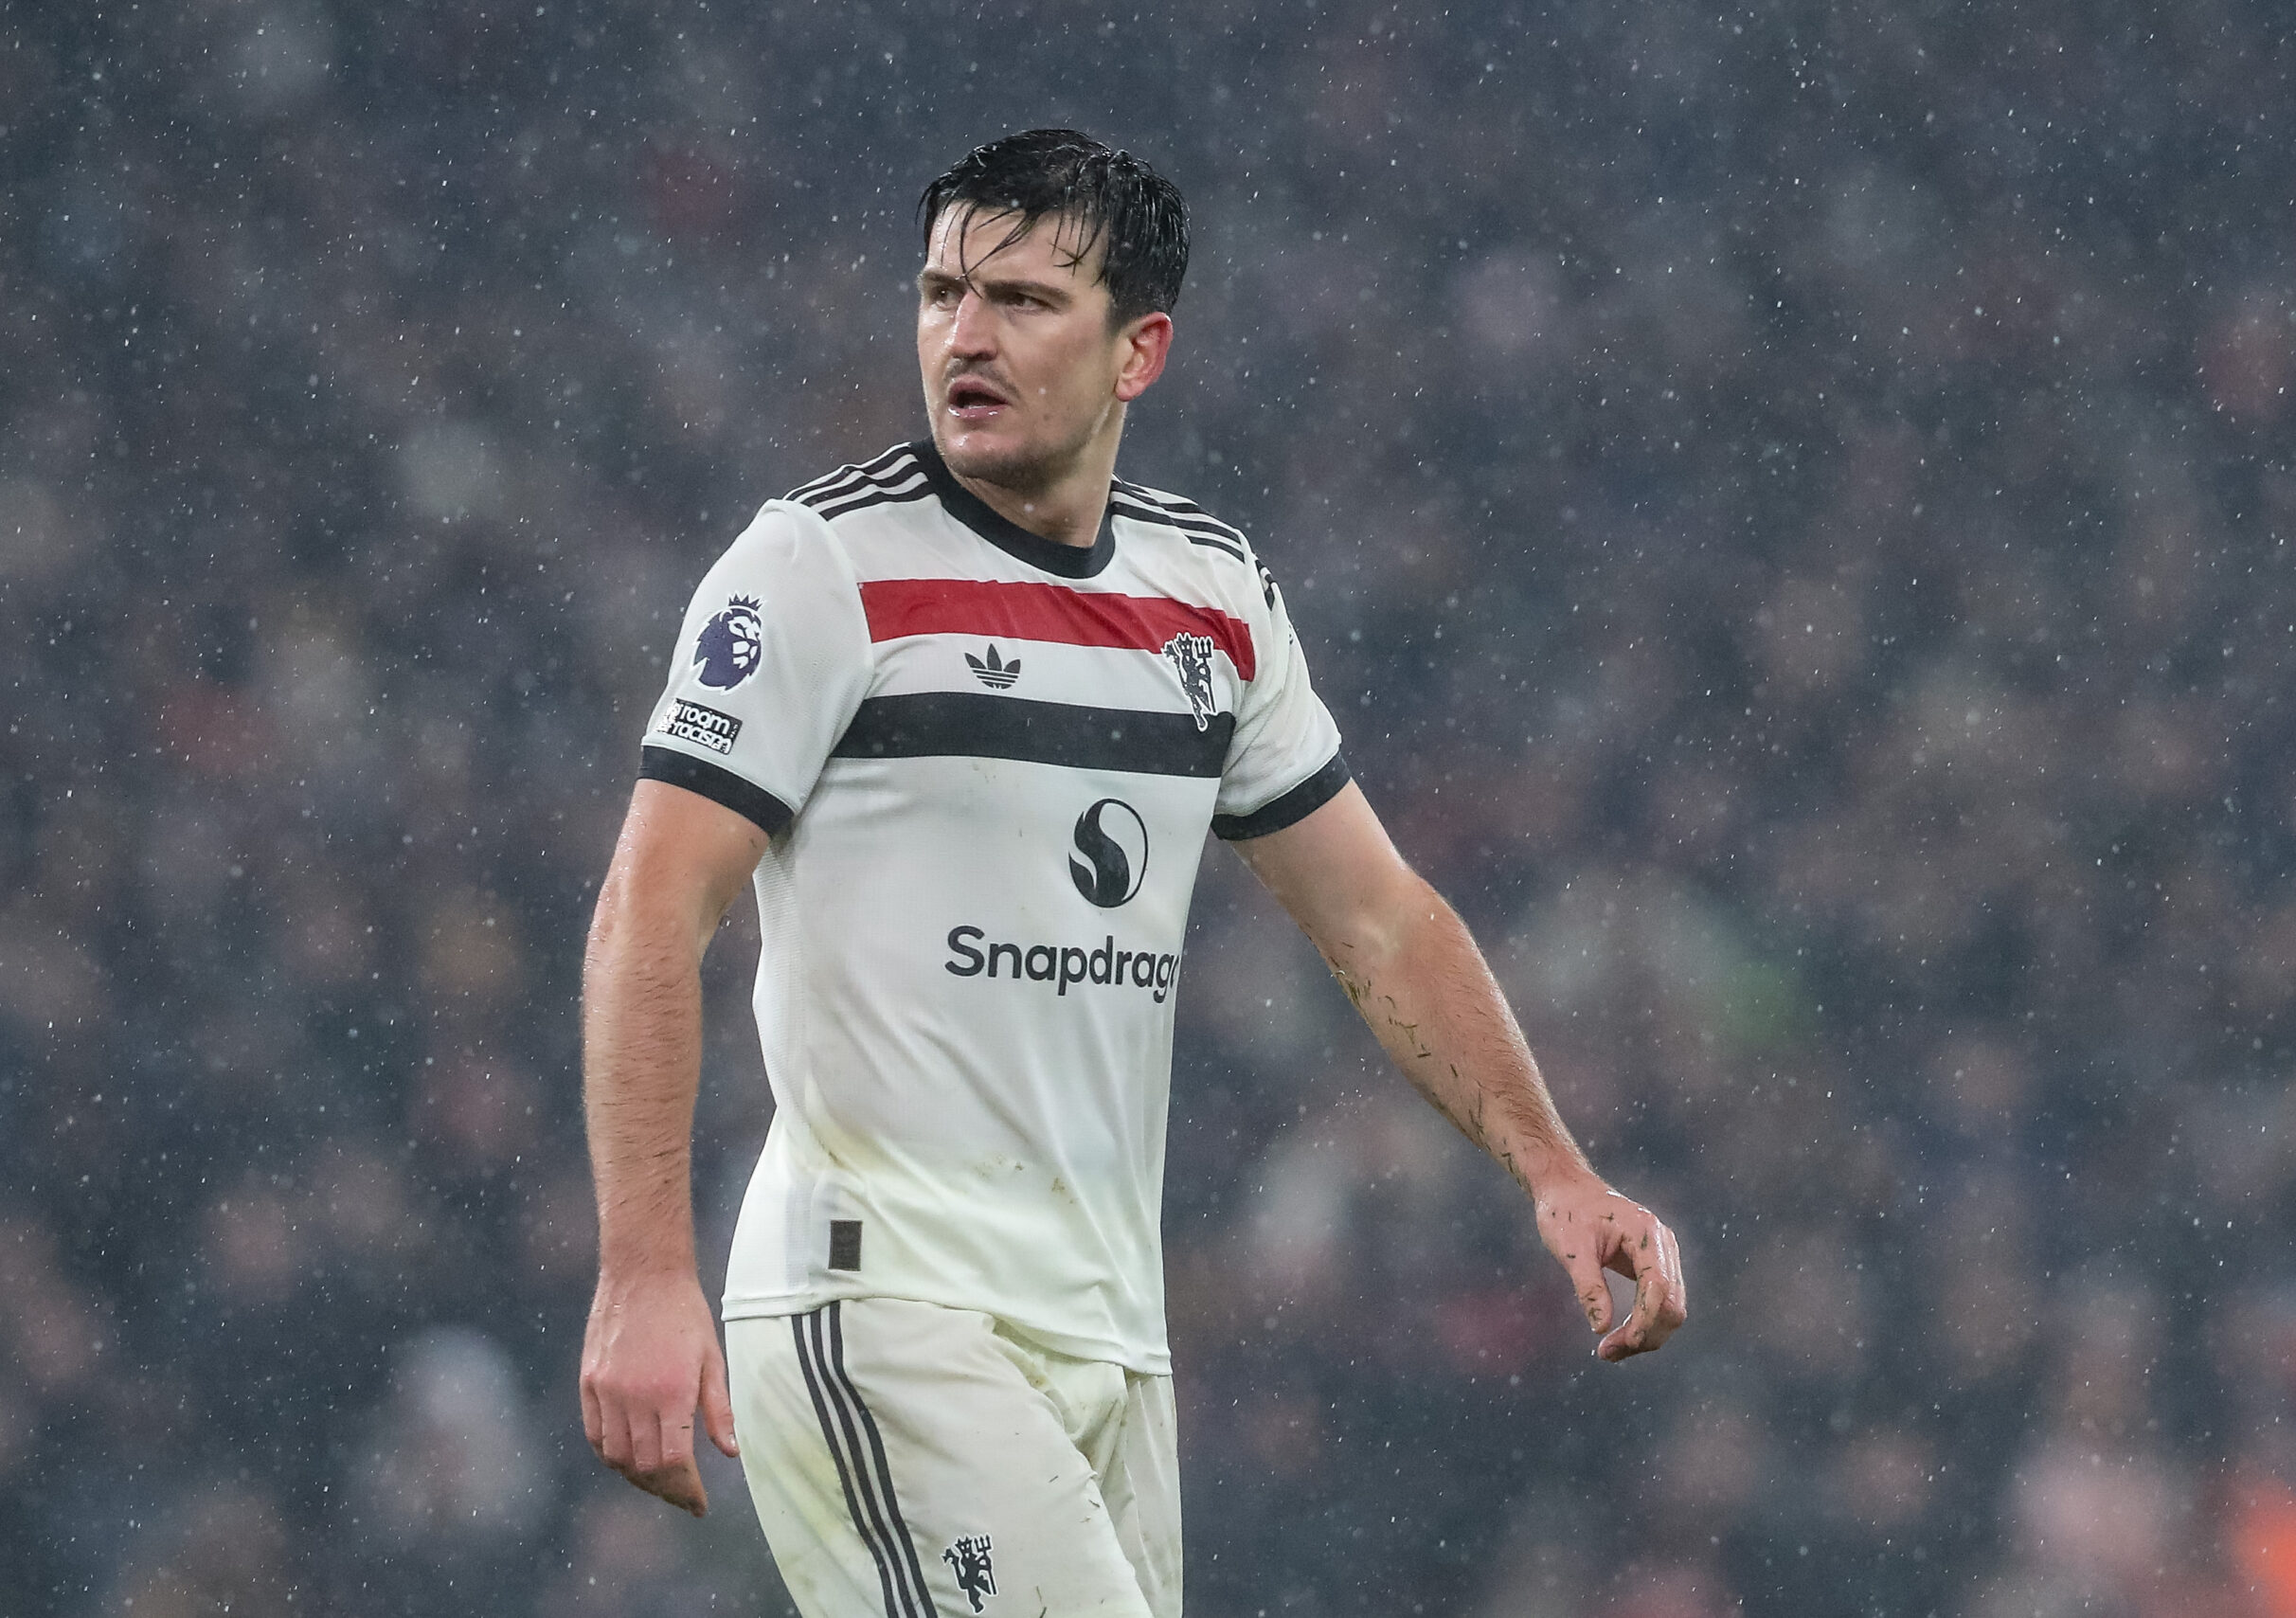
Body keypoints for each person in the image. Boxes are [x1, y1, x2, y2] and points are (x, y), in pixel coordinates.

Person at [578, 128, 1687, 1618]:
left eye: (1025, 301)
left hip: (1108, 1333)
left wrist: (1553, 1167)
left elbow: (1376, 917)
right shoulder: (820, 568)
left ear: (1137, 350)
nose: (964, 335)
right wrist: (647, 1271)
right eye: (941, 292)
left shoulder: (1212, 603)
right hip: (883, 1304)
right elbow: (654, 907)